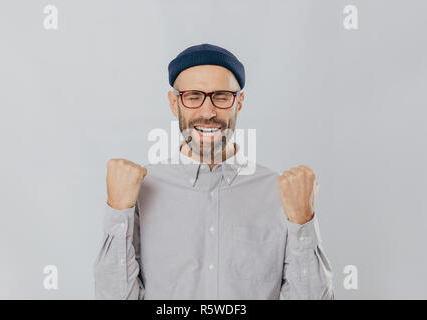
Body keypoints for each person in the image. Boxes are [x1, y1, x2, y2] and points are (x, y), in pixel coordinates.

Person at [93, 43, 334, 299]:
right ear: (174, 103)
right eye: (193, 97)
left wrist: (302, 222)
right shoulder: (138, 191)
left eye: (221, 96)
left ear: (238, 103)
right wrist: (119, 213)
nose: (208, 112)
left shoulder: (279, 192)